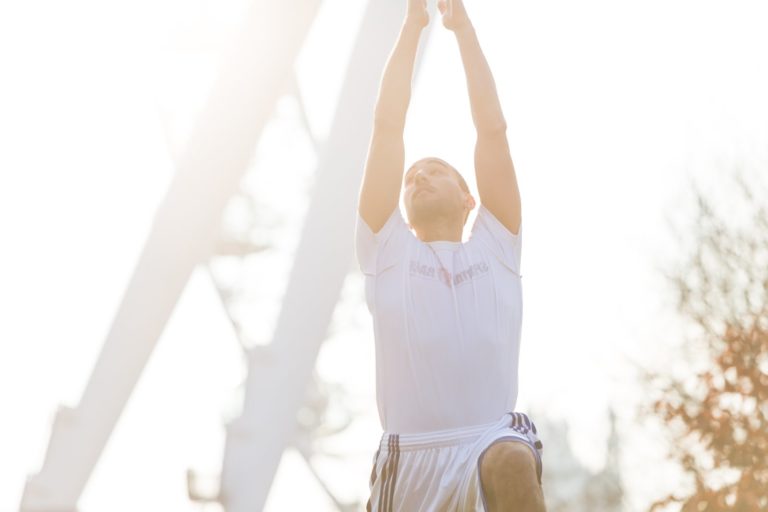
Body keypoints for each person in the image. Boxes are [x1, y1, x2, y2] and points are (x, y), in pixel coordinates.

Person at [355, 0, 547, 510]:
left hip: (487, 441)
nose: (418, 176)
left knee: (512, 458)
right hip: (410, 465)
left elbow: (493, 132)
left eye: (435, 170)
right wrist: (412, 26)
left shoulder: (498, 243)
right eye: (411, 177)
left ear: (469, 200)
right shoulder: (387, 250)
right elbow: (386, 127)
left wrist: (461, 31)